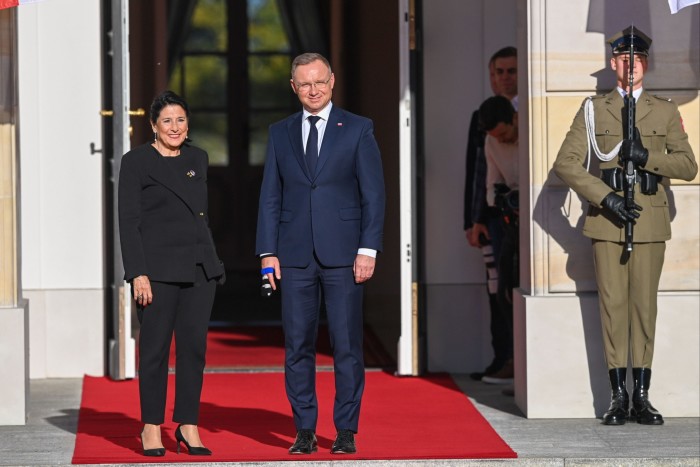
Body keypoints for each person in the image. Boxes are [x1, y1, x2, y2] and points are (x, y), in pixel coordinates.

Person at [553, 26, 697, 426]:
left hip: (648, 222)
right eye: (622, 59)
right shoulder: (593, 109)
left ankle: (643, 397)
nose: (630, 65)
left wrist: (646, 154)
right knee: (613, 310)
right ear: (613, 62)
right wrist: (606, 197)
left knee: (644, 310)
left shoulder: (665, 110)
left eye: (637, 59)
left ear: (645, 65)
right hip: (608, 221)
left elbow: (688, 166)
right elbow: (566, 164)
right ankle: (618, 397)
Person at [256, 52, 385, 455]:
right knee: (297, 345)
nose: (313, 90)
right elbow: (270, 197)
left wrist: (368, 248)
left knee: (347, 343)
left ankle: (345, 428)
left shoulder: (358, 129)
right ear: (294, 87)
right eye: (305, 84)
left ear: (332, 81)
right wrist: (267, 252)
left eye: (320, 81)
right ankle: (305, 429)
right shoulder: (280, 132)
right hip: (293, 255)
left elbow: (374, 195)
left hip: (345, 254)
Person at [119, 90, 225, 456]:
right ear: (153, 126)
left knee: (194, 350)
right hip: (157, 271)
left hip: (198, 268)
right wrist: (138, 273)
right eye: (167, 120)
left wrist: (211, 262)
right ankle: (151, 427)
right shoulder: (135, 162)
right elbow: (128, 223)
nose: (175, 127)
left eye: (181, 120)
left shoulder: (198, 157)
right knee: (154, 351)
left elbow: (200, 217)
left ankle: (188, 424)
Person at [464, 46, 518, 382]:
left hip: (530, 214)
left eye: (511, 71)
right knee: (498, 290)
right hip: (496, 216)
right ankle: (504, 358)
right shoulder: (482, 116)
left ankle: (519, 361)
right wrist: (474, 219)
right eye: (498, 72)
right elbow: (476, 172)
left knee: (516, 289)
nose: (504, 78)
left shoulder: (533, 110)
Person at [476, 95, 520, 385]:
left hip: (538, 216)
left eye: (504, 133)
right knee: (504, 292)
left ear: (514, 119)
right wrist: (501, 199)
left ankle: (523, 365)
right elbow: (490, 184)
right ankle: (514, 362)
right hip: (510, 222)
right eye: (495, 136)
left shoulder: (528, 130)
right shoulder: (491, 142)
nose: (501, 140)